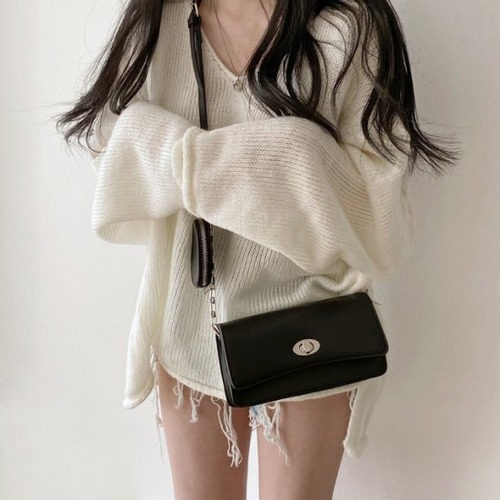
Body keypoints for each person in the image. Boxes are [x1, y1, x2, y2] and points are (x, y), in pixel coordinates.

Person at [55, 0, 460, 497]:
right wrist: (287, 159)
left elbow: (380, 225)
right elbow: (112, 161)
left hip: (315, 329)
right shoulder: (160, 21)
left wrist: (186, 159)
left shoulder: (347, 27)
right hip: (189, 327)